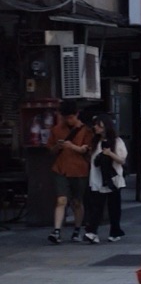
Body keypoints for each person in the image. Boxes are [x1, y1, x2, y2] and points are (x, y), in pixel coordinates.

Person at [46, 99, 92, 244]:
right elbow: (50, 150)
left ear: (77, 114)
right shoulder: (56, 130)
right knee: (61, 200)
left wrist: (72, 146)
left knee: (77, 202)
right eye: (65, 117)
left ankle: (77, 229)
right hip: (60, 169)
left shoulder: (86, 130)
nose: (68, 120)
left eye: (71, 117)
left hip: (80, 170)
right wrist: (57, 147)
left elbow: (87, 149)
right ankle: (56, 231)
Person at [82, 115, 127, 243]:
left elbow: (122, 160)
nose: (95, 127)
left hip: (112, 179)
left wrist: (110, 153)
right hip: (97, 178)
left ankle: (114, 231)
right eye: (95, 125)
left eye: (98, 125)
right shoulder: (95, 142)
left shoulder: (117, 141)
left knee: (114, 207)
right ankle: (92, 232)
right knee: (96, 206)